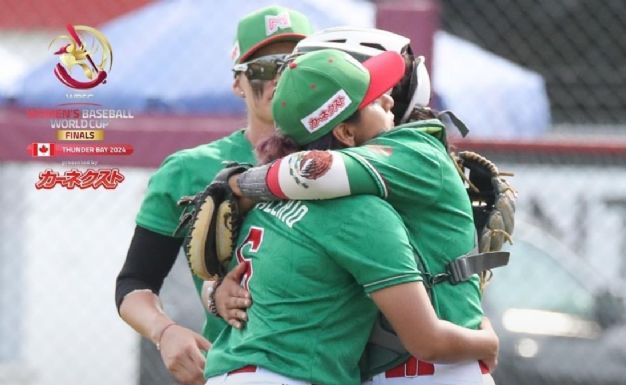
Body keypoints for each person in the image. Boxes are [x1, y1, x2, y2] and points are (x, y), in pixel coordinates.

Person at [212, 29, 503, 384]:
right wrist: (486, 343)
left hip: (427, 369)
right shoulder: (353, 206)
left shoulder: (416, 153)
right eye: (374, 98)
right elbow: (315, 172)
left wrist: (241, 185)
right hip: (423, 363)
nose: (389, 100)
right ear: (346, 133)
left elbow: (311, 172)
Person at [114, 6, 313, 385]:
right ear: (238, 83)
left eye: (296, 66)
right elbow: (135, 282)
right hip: (238, 368)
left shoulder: (344, 161)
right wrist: (164, 331)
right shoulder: (188, 171)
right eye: (266, 68)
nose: (282, 79)